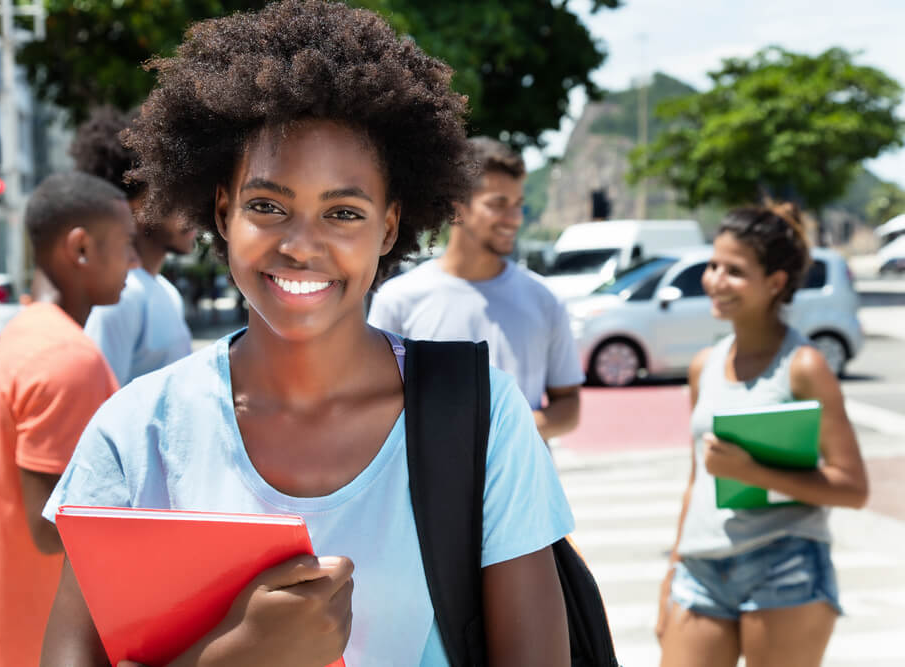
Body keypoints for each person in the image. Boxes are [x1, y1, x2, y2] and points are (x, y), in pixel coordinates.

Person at [39, 2, 575, 665]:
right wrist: (241, 655)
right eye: (268, 206)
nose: (301, 245)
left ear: (387, 227)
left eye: (343, 212)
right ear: (223, 210)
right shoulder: (135, 432)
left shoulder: (482, 417)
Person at [656, 203, 869, 667]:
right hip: (700, 569)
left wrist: (750, 472)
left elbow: (853, 488)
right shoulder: (703, 366)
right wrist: (671, 574)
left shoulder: (804, 366)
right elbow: (698, 481)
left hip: (784, 565)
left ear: (775, 282)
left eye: (734, 271)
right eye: (713, 265)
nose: (714, 280)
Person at [0, 171, 137, 667]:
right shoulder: (66, 358)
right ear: (82, 248)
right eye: (126, 244)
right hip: (65, 643)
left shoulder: (26, 333)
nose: (134, 260)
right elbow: (52, 529)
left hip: (30, 633)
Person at [368, 136, 583, 441]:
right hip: (425, 486)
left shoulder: (545, 300)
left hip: (526, 487)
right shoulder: (398, 299)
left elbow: (568, 405)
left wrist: (503, 432)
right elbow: (372, 403)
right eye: (498, 204)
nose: (513, 219)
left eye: (518, 205)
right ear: (458, 209)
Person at [70, 105, 198, 386]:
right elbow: (99, 406)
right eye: (176, 198)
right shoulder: (122, 297)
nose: (192, 212)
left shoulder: (164, 290)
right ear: (134, 207)